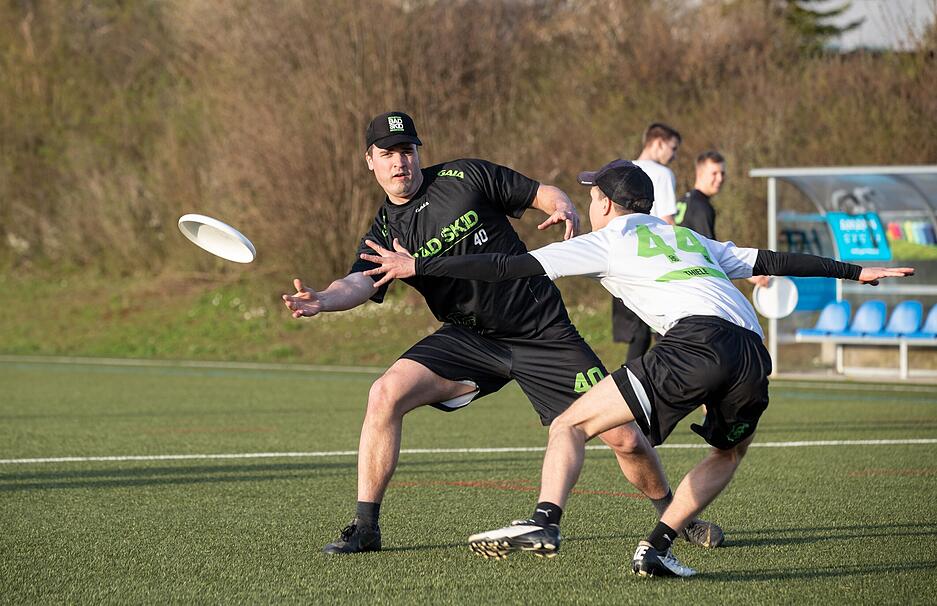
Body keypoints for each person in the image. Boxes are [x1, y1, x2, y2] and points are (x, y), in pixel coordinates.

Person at [360, 159, 913, 576]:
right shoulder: (688, 237)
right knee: (728, 452)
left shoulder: (606, 241)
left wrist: (420, 263)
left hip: (696, 341)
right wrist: (856, 271)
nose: (590, 201)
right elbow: (772, 261)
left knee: (570, 424)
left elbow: (505, 265)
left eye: (592, 193)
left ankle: (544, 521)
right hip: (752, 351)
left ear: (605, 204)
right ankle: (659, 547)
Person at [282, 113, 721, 555]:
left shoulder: (465, 176)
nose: (400, 162)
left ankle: (676, 517)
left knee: (624, 436)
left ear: (418, 153)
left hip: (542, 331)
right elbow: (360, 281)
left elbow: (539, 193)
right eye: (388, 154)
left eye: (407, 151)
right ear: (369, 161)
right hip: (469, 339)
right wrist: (323, 299)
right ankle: (365, 527)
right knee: (385, 393)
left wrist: (561, 206)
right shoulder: (385, 230)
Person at [614, 123, 682, 363]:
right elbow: (667, 223)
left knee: (638, 336)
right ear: (658, 142)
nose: (673, 156)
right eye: (673, 148)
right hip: (655, 263)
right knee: (665, 334)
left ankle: (624, 391)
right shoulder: (662, 174)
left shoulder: (622, 170)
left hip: (623, 261)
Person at [676, 150, 769, 289]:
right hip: (692, 282)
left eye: (722, 173)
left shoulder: (684, 199)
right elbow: (712, 253)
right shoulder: (702, 207)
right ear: (699, 174)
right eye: (714, 173)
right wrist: (748, 271)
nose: (720, 178)